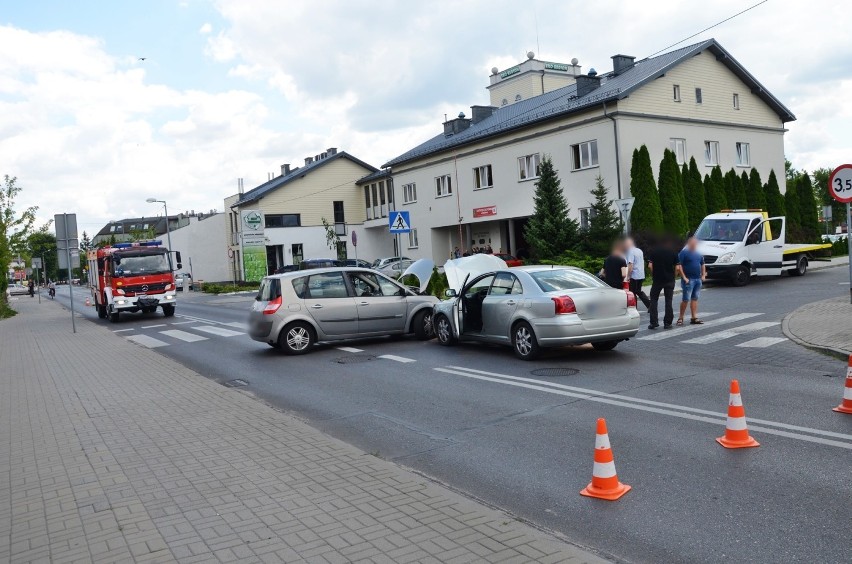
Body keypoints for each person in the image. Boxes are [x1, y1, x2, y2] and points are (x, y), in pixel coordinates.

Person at [647, 236, 680, 329]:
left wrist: (654, 274)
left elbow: (650, 266)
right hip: (669, 280)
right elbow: (677, 268)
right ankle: (667, 323)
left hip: (657, 280)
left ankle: (653, 322)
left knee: (654, 300)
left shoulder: (654, 252)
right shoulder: (673, 252)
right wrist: (675, 276)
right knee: (668, 301)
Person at [677, 236, 706, 326]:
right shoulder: (684, 253)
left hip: (697, 279)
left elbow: (702, 264)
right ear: (689, 244)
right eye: (692, 243)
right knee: (685, 299)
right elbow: (679, 265)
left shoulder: (698, 254)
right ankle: (680, 318)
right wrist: (684, 277)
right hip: (688, 280)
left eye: (695, 243)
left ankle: (694, 317)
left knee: (695, 298)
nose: (694, 245)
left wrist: (703, 274)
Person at [625, 238, 651, 310]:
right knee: (638, 291)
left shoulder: (630, 251)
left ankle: (634, 309)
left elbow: (630, 265)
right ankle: (649, 305)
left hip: (634, 275)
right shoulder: (639, 250)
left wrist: (628, 276)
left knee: (632, 293)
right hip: (641, 274)